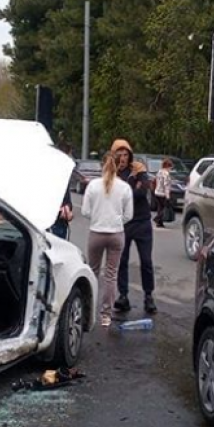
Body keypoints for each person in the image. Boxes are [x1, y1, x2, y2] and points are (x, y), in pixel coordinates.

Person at [81, 151, 133, 327]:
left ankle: (88, 312)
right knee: (111, 275)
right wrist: (116, 221)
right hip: (116, 234)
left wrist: (97, 217)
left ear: (101, 165)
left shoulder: (93, 185)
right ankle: (106, 315)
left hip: (96, 232)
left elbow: (85, 211)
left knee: (93, 272)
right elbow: (129, 215)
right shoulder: (125, 187)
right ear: (118, 165)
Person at [111, 138, 157, 315]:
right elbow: (114, 195)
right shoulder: (112, 173)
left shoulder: (138, 168)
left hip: (142, 222)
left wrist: (130, 188)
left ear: (130, 155)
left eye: (125, 154)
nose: (123, 158)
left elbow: (142, 191)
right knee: (122, 261)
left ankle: (148, 296)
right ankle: (123, 296)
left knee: (146, 261)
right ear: (114, 156)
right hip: (123, 223)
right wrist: (132, 186)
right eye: (119, 155)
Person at [153, 158, 174, 227]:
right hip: (163, 194)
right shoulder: (166, 174)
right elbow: (166, 185)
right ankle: (157, 219)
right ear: (167, 166)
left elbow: (156, 181)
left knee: (160, 207)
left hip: (157, 192)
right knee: (165, 208)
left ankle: (159, 223)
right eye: (170, 167)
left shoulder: (159, 172)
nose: (171, 169)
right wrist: (168, 196)